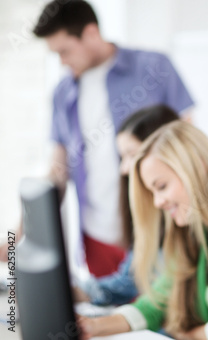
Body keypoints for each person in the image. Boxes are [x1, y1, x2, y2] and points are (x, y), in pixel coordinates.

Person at [0, 0, 194, 277]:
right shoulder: (63, 92)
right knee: (103, 309)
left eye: (64, 51)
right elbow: (58, 171)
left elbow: (188, 143)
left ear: (91, 33)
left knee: (158, 313)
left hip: (159, 226)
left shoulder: (153, 67)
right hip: (97, 236)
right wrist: (17, 235)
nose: (62, 61)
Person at [79, 121, 208, 340]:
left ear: (197, 168)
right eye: (153, 192)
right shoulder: (194, 231)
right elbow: (156, 303)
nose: (158, 202)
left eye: (161, 187)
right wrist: (92, 327)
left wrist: (183, 335)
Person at [73, 104, 179, 306]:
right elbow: (126, 283)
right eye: (122, 158)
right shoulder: (153, 215)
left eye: (131, 155)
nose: (124, 169)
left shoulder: (185, 215)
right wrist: (70, 292)